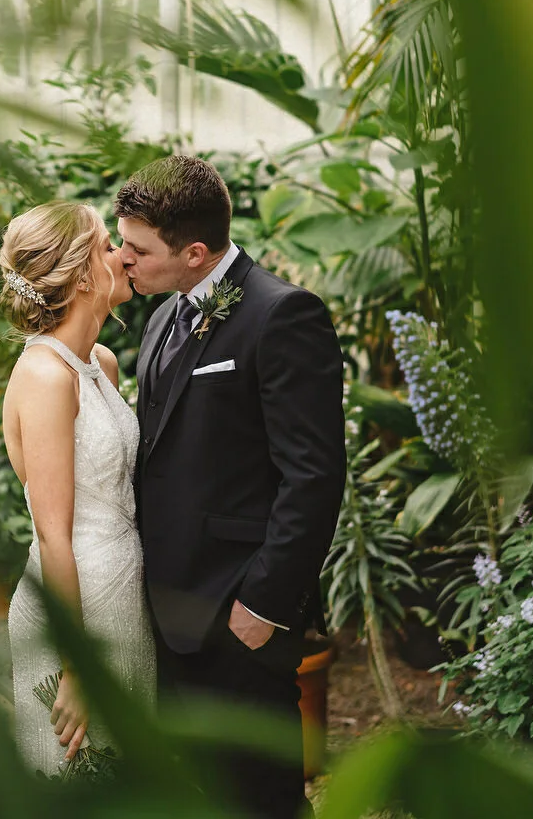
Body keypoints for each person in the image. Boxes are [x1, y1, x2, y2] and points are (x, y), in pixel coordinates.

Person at [114, 156, 345, 819]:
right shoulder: (161, 320)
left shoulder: (283, 315)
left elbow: (314, 474)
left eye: (136, 248)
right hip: (164, 612)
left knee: (261, 800)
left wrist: (264, 607)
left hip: (237, 614)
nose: (120, 257)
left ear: (193, 252)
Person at [0, 201, 155, 777]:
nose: (124, 254)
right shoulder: (43, 375)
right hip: (76, 607)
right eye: (108, 246)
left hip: (124, 595)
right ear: (84, 272)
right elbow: (52, 534)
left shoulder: (101, 363)